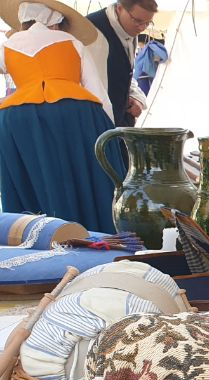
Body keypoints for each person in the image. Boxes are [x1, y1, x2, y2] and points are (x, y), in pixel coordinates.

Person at [0, 0, 122, 232]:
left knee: (32, 184)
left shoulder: (8, 46)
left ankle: (35, 236)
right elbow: (98, 92)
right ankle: (88, 233)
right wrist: (109, 134)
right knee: (81, 177)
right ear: (56, 23)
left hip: (18, 118)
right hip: (74, 113)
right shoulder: (72, 42)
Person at [85, 0, 154, 128]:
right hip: (98, 125)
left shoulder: (127, 28)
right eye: (137, 21)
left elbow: (125, 73)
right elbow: (92, 86)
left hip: (119, 124)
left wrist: (136, 98)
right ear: (119, 8)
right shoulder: (93, 31)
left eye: (148, 23)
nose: (142, 28)